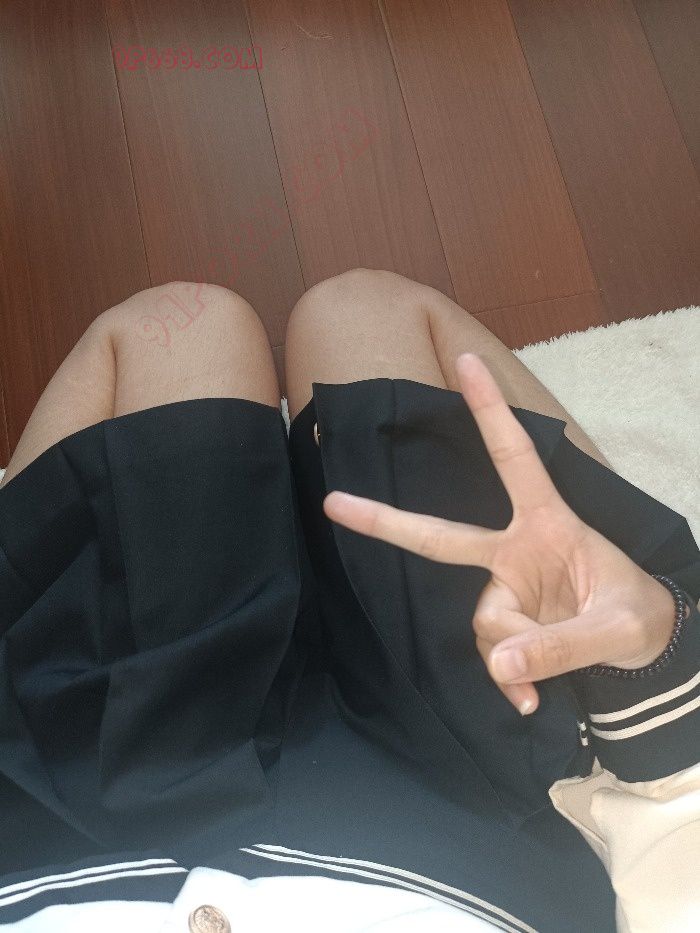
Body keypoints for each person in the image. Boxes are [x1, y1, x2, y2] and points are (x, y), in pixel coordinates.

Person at [0, 269, 697, 933]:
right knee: (365, 313)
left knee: (178, 327)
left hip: (76, 829)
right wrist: (652, 661)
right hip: (482, 823)